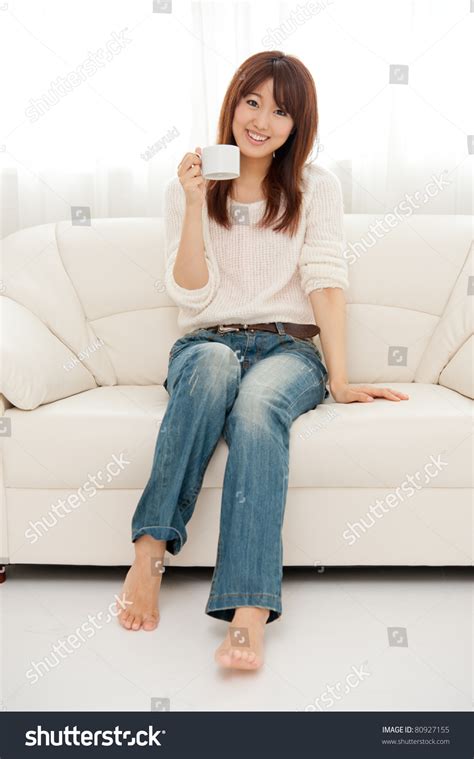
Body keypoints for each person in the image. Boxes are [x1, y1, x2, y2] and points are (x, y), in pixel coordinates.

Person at [117, 51, 408, 670]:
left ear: (296, 125)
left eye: (281, 111)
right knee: (218, 368)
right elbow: (191, 292)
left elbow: (326, 281)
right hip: (207, 343)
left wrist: (340, 378)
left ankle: (247, 609)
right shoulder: (189, 186)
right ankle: (148, 553)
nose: (263, 121)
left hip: (288, 347)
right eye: (253, 102)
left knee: (255, 409)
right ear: (232, 104)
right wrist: (196, 204)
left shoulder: (314, 187)